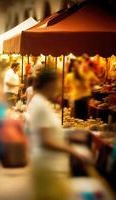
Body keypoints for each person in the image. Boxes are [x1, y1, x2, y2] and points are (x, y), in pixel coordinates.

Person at [27, 68, 92, 200]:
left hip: (50, 166)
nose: (59, 87)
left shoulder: (40, 102)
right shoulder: (40, 104)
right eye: (57, 83)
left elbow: (47, 131)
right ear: (49, 84)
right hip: (49, 168)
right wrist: (74, 151)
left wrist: (69, 134)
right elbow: (46, 140)